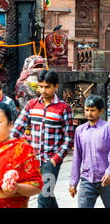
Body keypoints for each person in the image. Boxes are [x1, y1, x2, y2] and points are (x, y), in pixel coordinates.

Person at [11, 68, 74, 208]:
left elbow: (69, 139)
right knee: (48, 196)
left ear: (55, 86)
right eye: (41, 87)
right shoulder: (31, 105)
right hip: (34, 160)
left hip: (51, 162)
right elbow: (17, 129)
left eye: (47, 87)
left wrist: (55, 159)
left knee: (43, 198)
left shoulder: (64, 108)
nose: (43, 90)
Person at [69, 95, 110, 208]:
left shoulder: (107, 128)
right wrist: (73, 182)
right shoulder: (79, 131)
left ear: (101, 111)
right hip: (87, 181)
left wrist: (109, 172)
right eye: (87, 110)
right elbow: (77, 158)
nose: (89, 113)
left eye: (93, 110)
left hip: (107, 180)